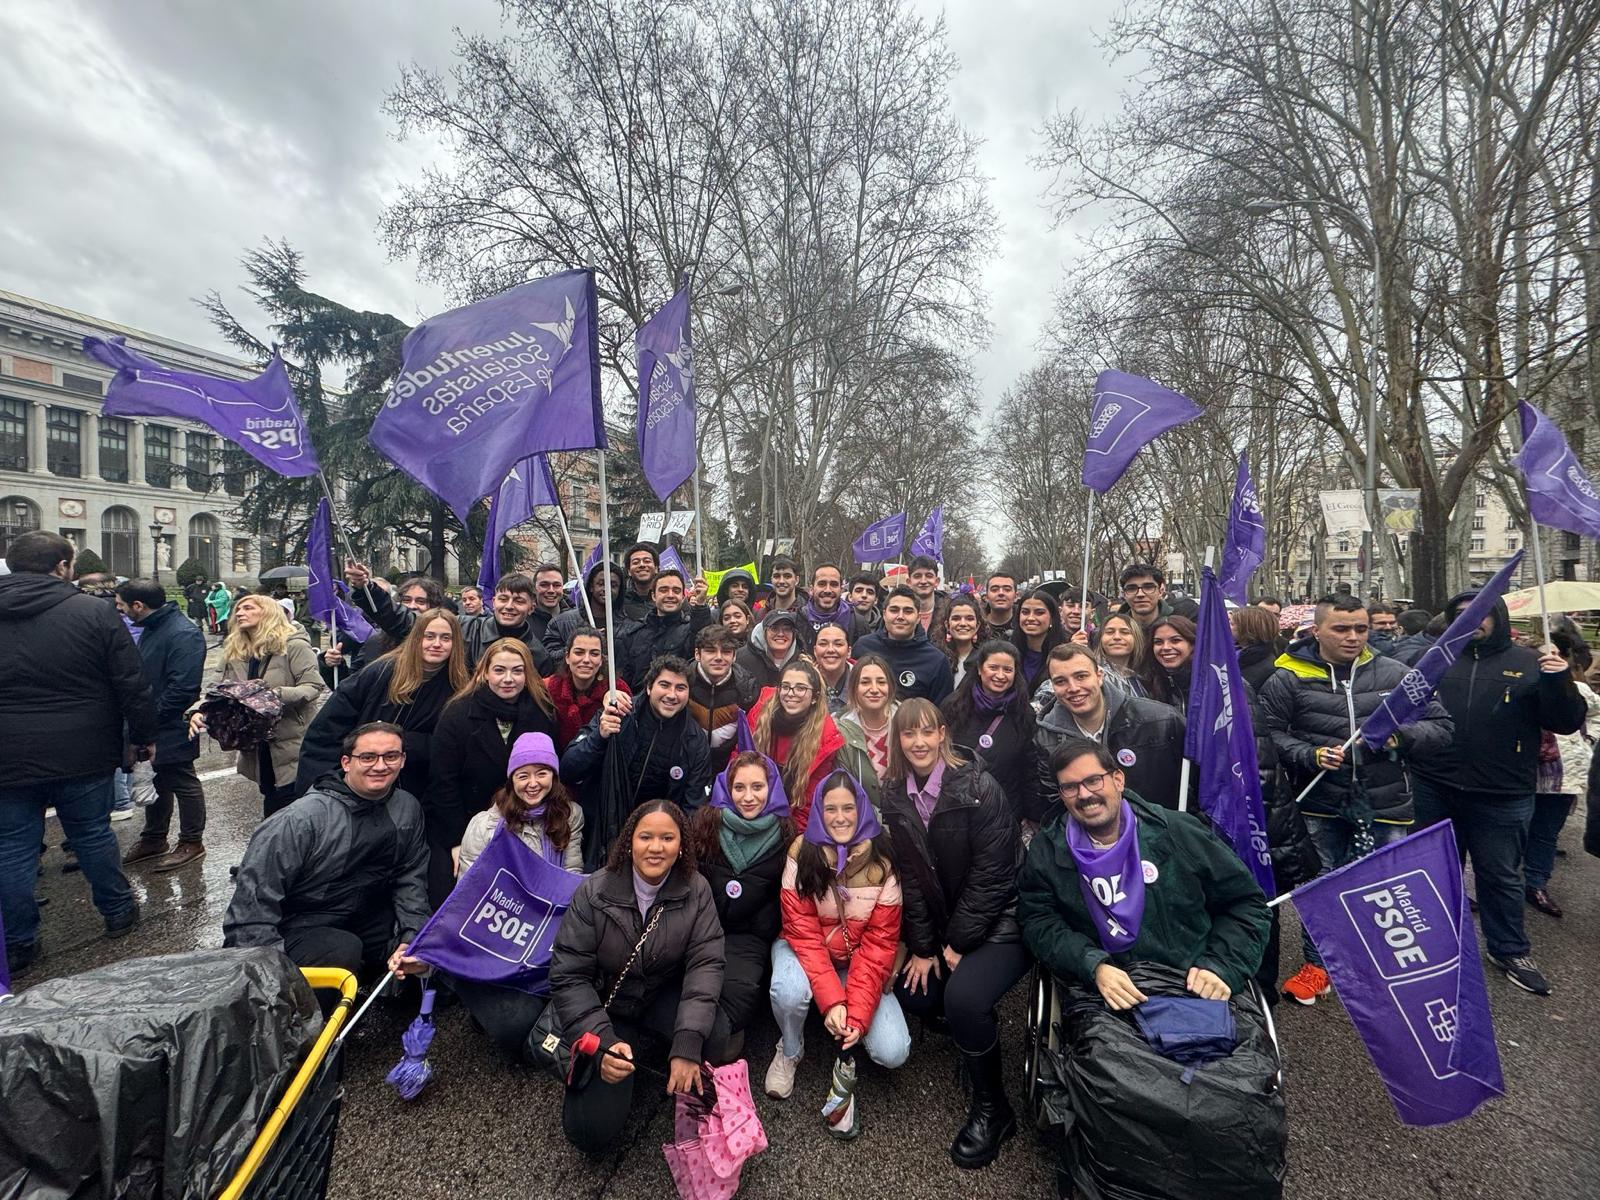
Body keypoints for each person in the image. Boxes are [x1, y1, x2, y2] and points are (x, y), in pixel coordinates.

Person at [1261, 593, 1454, 1004]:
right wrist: (1309, 755)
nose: (1353, 637)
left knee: (1384, 891)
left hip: (1385, 804)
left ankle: (1385, 968)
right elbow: (1268, 733)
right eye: (1341, 629)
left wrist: (1400, 737)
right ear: (1317, 631)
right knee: (1322, 888)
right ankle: (1319, 966)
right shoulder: (1287, 677)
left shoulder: (1398, 674)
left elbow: (1441, 727)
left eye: (1361, 629)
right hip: (1319, 803)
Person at [1410, 586, 1585, 996]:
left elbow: (1565, 722)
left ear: (1499, 617)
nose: (1472, 619)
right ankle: (1436, 945)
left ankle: (1509, 950)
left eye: (1481, 612)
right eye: (1461, 613)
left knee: (1501, 875)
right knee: (1434, 873)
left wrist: (1560, 681)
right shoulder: (1434, 659)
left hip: (1502, 791)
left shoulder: (1530, 662)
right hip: (1435, 784)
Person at [879, 700, 1027, 1170]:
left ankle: (994, 1110)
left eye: (927, 732)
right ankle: (970, 1031)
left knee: (963, 998)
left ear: (943, 733)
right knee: (914, 992)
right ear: (898, 740)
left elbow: (994, 876)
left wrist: (958, 943)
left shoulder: (979, 787)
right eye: (909, 734)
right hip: (949, 922)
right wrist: (925, 948)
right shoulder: (894, 793)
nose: (919, 742)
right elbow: (911, 875)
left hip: (1003, 919)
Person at [0, 532, 155, 976]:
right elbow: (131, 681)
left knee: (11, 847)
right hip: (83, 745)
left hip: (8, 751)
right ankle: (118, 911)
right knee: (91, 833)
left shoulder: (89, 609)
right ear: (63, 566)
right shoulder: (93, 611)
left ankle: (19, 941)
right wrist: (143, 736)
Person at [1017, 737, 1271, 1008]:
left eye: (1093, 780)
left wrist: (1220, 965)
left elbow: (1246, 903)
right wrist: (1091, 964)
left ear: (1118, 780)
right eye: (1070, 787)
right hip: (1104, 994)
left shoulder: (1179, 832)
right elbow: (1038, 920)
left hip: (1192, 980)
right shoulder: (1048, 850)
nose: (1084, 794)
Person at [549, 799, 730, 1154]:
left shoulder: (697, 889)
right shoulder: (594, 892)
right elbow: (569, 976)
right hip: (609, 1004)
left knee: (714, 1033)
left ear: (682, 846)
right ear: (629, 841)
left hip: (660, 992)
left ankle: (672, 1057)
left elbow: (706, 964)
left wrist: (687, 1042)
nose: (656, 847)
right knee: (589, 1132)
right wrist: (602, 1043)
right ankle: (622, 1055)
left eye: (667, 838)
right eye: (646, 837)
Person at [223, 722, 429, 979]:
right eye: (367, 757)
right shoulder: (299, 820)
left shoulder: (407, 807)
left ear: (403, 760)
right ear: (346, 763)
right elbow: (252, 908)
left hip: (362, 914)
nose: (380, 766)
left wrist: (412, 937)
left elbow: (410, 878)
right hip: (298, 924)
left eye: (391, 756)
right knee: (341, 950)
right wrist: (271, 978)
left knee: (428, 948)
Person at [767, 770, 908, 1137]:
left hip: (856, 959)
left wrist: (856, 1015)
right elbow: (803, 932)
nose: (840, 817)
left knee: (893, 1051)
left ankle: (844, 1033)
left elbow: (879, 945)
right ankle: (790, 1048)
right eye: (831, 809)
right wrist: (832, 1002)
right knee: (789, 990)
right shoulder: (802, 851)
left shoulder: (883, 861)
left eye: (849, 808)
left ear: (862, 809)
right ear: (818, 811)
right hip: (803, 949)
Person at [444, 732, 584, 1056]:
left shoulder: (570, 815)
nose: (532, 784)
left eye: (542, 773)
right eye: (523, 775)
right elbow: (468, 895)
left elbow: (572, 875)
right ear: (511, 779)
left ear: (554, 776)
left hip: (547, 924)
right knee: (517, 1026)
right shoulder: (484, 825)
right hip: (499, 930)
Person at [424, 639, 559, 906]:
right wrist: (457, 841)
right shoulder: (457, 714)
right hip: (461, 820)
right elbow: (443, 782)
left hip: (522, 823)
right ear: (485, 672)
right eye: (499, 670)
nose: (508, 679)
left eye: (517, 671)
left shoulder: (542, 712)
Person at [296, 608, 469, 801]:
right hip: (359, 783)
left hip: (416, 791)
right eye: (429, 636)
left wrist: (407, 743)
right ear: (416, 638)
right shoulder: (380, 672)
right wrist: (324, 786)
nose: (436, 644)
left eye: (446, 638)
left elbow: (454, 743)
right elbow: (328, 730)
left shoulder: (460, 685)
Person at [560, 656, 713, 867]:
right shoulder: (619, 714)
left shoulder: (695, 741)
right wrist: (599, 737)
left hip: (654, 844)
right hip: (602, 835)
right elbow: (568, 770)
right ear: (649, 687)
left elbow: (694, 807)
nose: (671, 695)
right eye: (664, 685)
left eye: (680, 688)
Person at [694, 750, 794, 1047]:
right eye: (739, 787)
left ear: (771, 789)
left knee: (733, 1004)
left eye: (757, 787)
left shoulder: (787, 835)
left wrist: (766, 923)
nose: (748, 797)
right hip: (703, 927)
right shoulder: (706, 825)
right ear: (727, 789)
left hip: (749, 936)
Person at [196, 592, 327, 817]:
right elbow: (214, 688)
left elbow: (313, 686)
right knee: (270, 794)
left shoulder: (294, 645)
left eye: (248, 608)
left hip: (291, 739)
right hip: (256, 740)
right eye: (238, 609)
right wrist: (199, 711)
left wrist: (271, 696)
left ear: (268, 612)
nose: (239, 612)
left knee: (290, 804)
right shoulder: (235, 649)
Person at [114, 578, 208, 873]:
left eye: (121, 605)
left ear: (138, 605)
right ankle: (154, 838)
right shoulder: (155, 627)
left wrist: (149, 720)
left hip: (169, 722)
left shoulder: (182, 633)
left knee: (182, 780)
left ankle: (191, 841)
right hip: (150, 719)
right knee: (158, 778)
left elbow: (184, 689)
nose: (119, 610)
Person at [1034, 644, 1187, 814]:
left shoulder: (1161, 720)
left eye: (1081, 676)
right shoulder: (1046, 738)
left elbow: (1197, 784)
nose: (1073, 688)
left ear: (1099, 676)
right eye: (1060, 681)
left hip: (1159, 826)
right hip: (1089, 829)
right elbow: (1054, 803)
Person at [350, 561, 556, 674]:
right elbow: (407, 623)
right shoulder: (462, 626)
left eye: (518, 601)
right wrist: (368, 590)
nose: (509, 606)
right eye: (503, 599)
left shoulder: (538, 656)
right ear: (493, 602)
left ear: (531, 607)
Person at [1525, 628, 1599, 918]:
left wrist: (1589, 739)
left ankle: (1536, 882)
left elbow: (1595, 713)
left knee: (1546, 833)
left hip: (1562, 777)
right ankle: (1510, 879)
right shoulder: (1520, 685)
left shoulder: (1577, 689)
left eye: (1555, 655)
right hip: (1525, 773)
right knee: (1515, 831)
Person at [941, 641, 1040, 827]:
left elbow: (1029, 769)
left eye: (1008, 670)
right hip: (958, 808)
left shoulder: (1023, 714)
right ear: (980, 669)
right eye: (993, 667)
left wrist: (1033, 814)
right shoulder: (954, 706)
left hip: (1004, 811)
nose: (1000, 675)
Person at [749, 659, 848, 829]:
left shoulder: (824, 737)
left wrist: (792, 835)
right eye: (786, 687)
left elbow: (809, 802)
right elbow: (737, 766)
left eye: (801, 688)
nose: (791, 693)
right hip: (750, 807)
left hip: (790, 820)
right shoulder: (759, 715)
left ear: (814, 697)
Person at [615, 568, 714, 690]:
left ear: (683, 597)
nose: (670, 595)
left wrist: (701, 605)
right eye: (664, 590)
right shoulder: (634, 633)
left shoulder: (690, 630)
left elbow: (702, 640)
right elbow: (622, 679)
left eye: (676, 591)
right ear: (653, 595)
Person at [853, 586, 955, 704]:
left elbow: (941, 710)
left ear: (918, 617)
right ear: (884, 614)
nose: (900, 616)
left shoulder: (936, 661)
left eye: (908, 611)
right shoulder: (863, 647)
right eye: (894, 610)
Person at [688, 623, 761, 774]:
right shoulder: (682, 683)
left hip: (730, 768)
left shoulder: (748, 688)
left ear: (734, 656)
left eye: (726, 652)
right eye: (710, 651)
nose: (719, 657)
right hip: (688, 765)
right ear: (697, 654)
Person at [546, 626, 629, 751]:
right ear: (567, 657)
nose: (586, 660)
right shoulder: (550, 688)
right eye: (579, 652)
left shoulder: (617, 688)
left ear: (601, 660)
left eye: (594, 654)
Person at [835, 654, 897, 789]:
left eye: (881, 682)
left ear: (890, 687)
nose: (874, 689)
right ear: (853, 688)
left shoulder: (906, 721)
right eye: (865, 682)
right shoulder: (839, 730)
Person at [544, 558, 624, 662]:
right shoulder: (561, 623)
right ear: (591, 587)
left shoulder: (628, 627)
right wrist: (580, 643)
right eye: (601, 584)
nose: (606, 589)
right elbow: (549, 658)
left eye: (613, 586)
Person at [799, 562, 872, 647]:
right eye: (822, 584)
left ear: (841, 590)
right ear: (811, 589)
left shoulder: (858, 623)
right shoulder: (798, 619)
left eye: (834, 584)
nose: (828, 590)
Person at [1012, 588, 1067, 694]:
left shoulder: (1065, 656)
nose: (1030, 618)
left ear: (1052, 618)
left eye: (1039, 613)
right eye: (1025, 612)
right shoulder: (1007, 651)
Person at [735, 607, 802, 690]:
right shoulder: (741, 659)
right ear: (764, 632)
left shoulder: (803, 660)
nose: (781, 634)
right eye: (774, 628)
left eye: (787, 629)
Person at [1140, 614, 1196, 715]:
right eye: (1158, 642)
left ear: (1192, 644)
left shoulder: (1211, 682)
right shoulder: (1145, 684)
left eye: (1175, 640)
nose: (1166, 647)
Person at [1117, 562, 1197, 629]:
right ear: (1124, 594)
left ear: (1161, 591)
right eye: (1132, 588)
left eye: (1148, 587)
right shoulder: (1115, 627)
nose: (1140, 594)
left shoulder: (1186, 615)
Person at [1092, 611, 1147, 698]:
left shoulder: (1147, 678)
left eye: (1125, 632)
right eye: (1110, 632)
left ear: (1136, 639)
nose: (1117, 637)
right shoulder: (1092, 675)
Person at [1231, 603, 1283, 692]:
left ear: (1248, 628)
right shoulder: (1234, 653)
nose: (1227, 627)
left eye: (1232, 624)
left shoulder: (1266, 668)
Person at [941, 593, 984, 689]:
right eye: (956, 618)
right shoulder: (937, 657)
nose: (963, 623)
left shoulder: (985, 658)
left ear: (977, 626)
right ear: (947, 625)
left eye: (969, 619)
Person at [811, 623, 854, 713]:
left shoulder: (862, 680)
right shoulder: (804, 680)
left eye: (838, 644)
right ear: (815, 651)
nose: (830, 650)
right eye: (823, 644)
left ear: (849, 651)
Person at [906, 555, 948, 633]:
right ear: (909, 582)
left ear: (937, 581)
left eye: (929, 576)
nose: (923, 581)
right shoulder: (898, 612)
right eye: (917, 576)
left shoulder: (949, 612)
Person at [620, 542, 660, 621]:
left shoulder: (667, 598)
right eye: (635, 562)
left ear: (656, 568)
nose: (642, 565)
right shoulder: (620, 602)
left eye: (647, 561)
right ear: (629, 571)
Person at [982, 572, 1018, 641]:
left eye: (1007, 589)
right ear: (986, 597)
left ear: (1016, 596)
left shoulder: (1024, 624)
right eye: (994, 590)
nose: (1001, 593)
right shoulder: (975, 624)